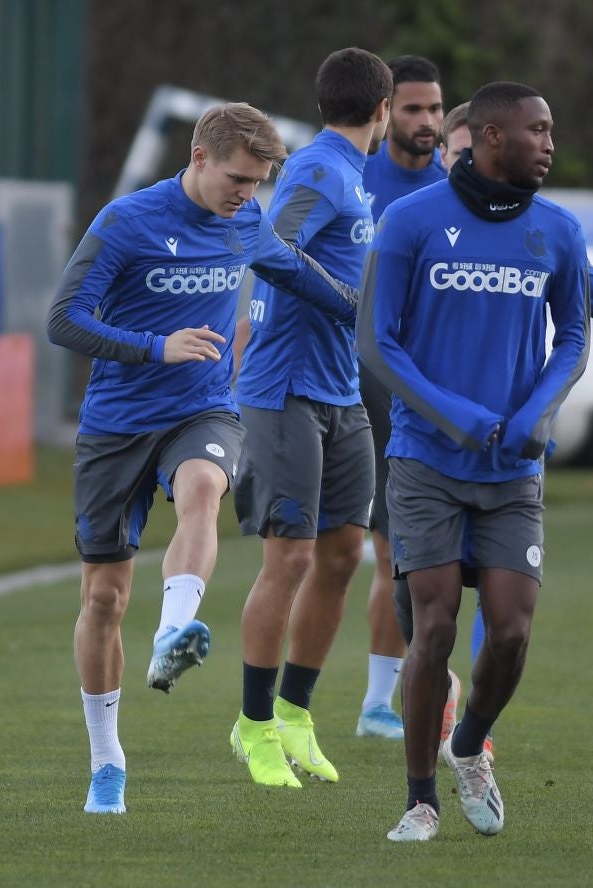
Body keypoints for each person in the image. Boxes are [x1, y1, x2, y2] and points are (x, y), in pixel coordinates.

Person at [46, 102, 358, 815]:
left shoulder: (245, 220)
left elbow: (296, 272)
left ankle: (172, 630)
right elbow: (63, 319)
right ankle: (107, 760)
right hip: (118, 422)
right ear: (199, 158)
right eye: (238, 178)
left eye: (258, 184)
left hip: (204, 408)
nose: (246, 195)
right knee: (101, 599)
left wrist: (371, 311)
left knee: (203, 488)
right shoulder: (127, 221)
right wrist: (156, 346)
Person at [360, 81, 590, 842]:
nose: (550, 144)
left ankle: (469, 745)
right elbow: (377, 342)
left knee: (513, 634)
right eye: (538, 130)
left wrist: (534, 414)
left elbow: (574, 338)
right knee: (431, 627)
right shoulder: (411, 220)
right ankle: (418, 800)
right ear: (490, 136)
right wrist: (450, 414)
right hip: (424, 460)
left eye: (550, 130)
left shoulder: (557, 230)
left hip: (512, 472)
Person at [230, 48, 392, 789]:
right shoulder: (319, 169)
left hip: (338, 392)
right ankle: (253, 724)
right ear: (382, 110)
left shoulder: (353, 177)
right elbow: (265, 244)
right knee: (289, 558)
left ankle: (296, 713)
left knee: (340, 555)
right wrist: (343, 303)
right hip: (283, 388)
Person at [356, 55, 446, 741]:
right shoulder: (352, 180)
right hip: (348, 382)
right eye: (412, 109)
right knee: (329, 553)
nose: (426, 122)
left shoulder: (452, 192)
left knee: (401, 550)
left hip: (416, 389)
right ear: (384, 111)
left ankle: (379, 702)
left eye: (435, 110)